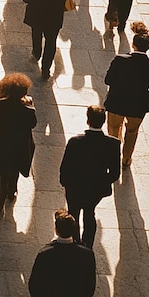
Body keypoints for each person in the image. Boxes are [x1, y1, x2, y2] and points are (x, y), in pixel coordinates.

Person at [28, 210, 96, 297]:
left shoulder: (45, 254)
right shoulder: (86, 255)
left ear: (56, 230)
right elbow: (90, 285)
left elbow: (34, 284)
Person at [60, 105, 121, 248]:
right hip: (95, 190)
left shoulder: (75, 142)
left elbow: (65, 166)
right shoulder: (113, 144)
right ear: (103, 122)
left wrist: (66, 182)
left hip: (74, 187)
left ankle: (74, 242)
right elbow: (114, 173)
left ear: (88, 121)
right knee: (90, 213)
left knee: (73, 214)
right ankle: (87, 246)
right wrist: (100, 183)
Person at [104, 21, 149, 166]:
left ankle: (112, 156)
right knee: (132, 133)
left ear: (133, 44)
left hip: (116, 102)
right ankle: (126, 159)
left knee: (113, 130)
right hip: (137, 108)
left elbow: (108, 80)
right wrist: (143, 98)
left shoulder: (119, 60)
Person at [0, 73, 36, 217]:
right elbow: (33, 124)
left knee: (3, 173)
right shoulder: (27, 110)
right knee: (15, 169)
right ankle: (12, 191)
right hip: (19, 145)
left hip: (0, 143)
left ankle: (0, 200)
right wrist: (31, 106)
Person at [23, 0, 70, 80]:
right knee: (51, 42)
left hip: (37, 14)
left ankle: (36, 52)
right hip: (54, 17)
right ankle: (46, 69)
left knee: (36, 34)